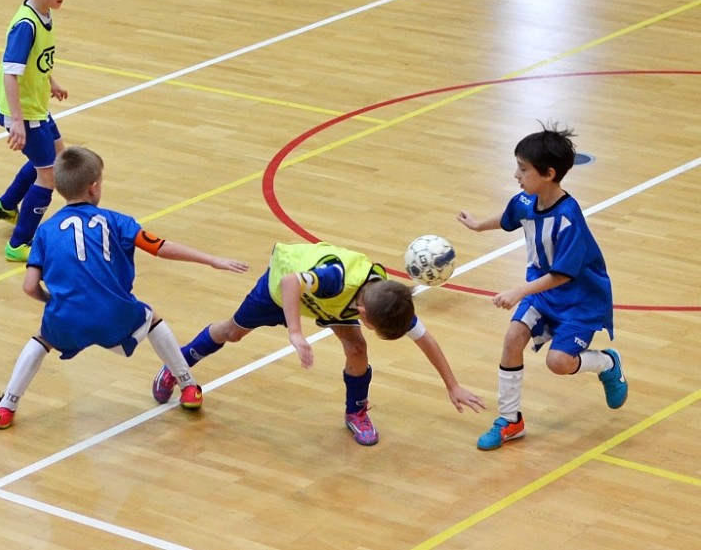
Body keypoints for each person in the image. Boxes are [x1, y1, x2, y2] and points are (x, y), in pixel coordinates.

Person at [0, 146, 249, 429]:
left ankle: (6, 406)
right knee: (152, 318)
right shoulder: (118, 221)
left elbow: (29, 287)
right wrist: (211, 260)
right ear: (94, 187)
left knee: (42, 339)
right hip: (115, 314)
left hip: (66, 318)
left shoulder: (45, 231)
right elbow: (161, 247)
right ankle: (188, 386)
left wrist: (52, 301)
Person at [152, 242, 486, 446]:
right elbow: (291, 282)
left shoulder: (389, 300)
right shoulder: (336, 278)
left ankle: (356, 412)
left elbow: (425, 339)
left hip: (328, 303)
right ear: (364, 314)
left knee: (357, 348)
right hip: (279, 290)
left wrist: (452, 385)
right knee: (232, 332)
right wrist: (295, 333)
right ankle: (177, 366)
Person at [457, 122, 628, 451]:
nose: (516, 175)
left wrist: (518, 291)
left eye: (523, 169)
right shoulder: (525, 200)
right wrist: (478, 226)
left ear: (549, 174)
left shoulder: (568, 218)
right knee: (513, 337)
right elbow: (507, 218)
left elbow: (563, 275)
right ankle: (510, 420)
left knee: (558, 363)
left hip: (579, 300)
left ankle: (607, 363)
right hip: (544, 293)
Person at [0, 0, 71, 262]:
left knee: (55, 157)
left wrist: (51, 82)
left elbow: (37, 61)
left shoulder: (43, 13)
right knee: (49, 176)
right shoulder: (26, 25)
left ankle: (7, 205)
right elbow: (10, 74)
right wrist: (17, 121)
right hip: (23, 111)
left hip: (35, 105)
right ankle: (19, 243)